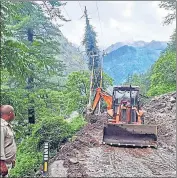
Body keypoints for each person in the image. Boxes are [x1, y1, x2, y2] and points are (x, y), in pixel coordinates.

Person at [0, 105, 17, 177]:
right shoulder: (2, 126)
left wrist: (12, 160)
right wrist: (2, 164)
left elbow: (7, 144)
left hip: (7, 164)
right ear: (10, 113)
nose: (14, 115)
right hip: (2, 165)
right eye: (14, 113)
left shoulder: (6, 125)